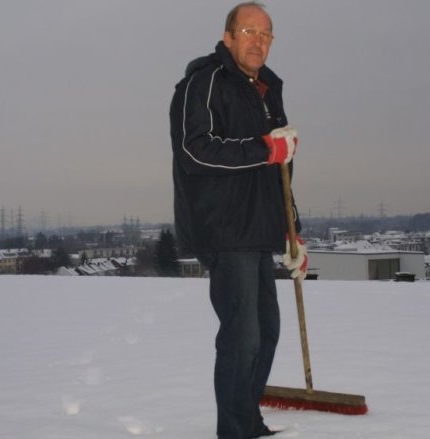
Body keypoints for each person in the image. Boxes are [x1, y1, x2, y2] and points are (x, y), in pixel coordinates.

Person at [169, 2, 307, 438]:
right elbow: (195, 150)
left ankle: (248, 423)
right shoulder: (205, 81)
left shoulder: (267, 90)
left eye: (266, 34)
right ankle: (233, 432)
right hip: (225, 229)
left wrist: (292, 231)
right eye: (249, 31)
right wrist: (265, 148)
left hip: (259, 230)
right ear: (228, 37)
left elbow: (278, 174)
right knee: (242, 337)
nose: (258, 41)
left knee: (266, 333)